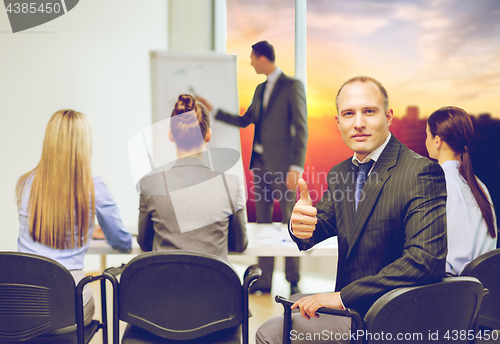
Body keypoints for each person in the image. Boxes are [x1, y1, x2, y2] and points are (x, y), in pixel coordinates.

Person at [256, 76, 447, 344]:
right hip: (351, 316)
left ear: (388, 117)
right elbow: (313, 229)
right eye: (348, 114)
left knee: (269, 333)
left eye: (369, 111)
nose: (358, 123)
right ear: (338, 123)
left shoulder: (420, 172)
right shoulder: (340, 173)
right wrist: (298, 225)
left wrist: (342, 296)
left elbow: (425, 261)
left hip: (394, 319)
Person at [197, 40, 307, 295]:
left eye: (252, 58)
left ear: (262, 58)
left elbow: (302, 128)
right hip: (260, 167)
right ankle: (265, 280)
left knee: (291, 221)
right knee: (264, 224)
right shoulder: (259, 89)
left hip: (283, 167)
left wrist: (296, 165)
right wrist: (213, 110)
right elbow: (246, 120)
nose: (250, 63)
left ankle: (293, 280)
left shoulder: (292, 86)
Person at [16, 109, 132, 331]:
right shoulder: (94, 187)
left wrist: (87, 230)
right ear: (83, 144)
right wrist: (95, 231)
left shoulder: (25, 184)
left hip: (23, 305)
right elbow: (122, 242)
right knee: (91, 297)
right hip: (68, 306)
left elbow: (40, 229)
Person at [137, 94, 248, 262]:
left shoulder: (150, 185)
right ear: (208, 135)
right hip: (215, 287)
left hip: (163, 286)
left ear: (171, 135)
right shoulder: (230, 184)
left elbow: (145, 243)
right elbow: (239, 244)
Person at [425, 106, 497, 275]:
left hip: (456, 292)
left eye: (426, 135)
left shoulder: (440, 182)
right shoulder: (479, 185)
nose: (425, 141)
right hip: (483, 290)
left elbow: (457, 261)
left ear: (437, 140)